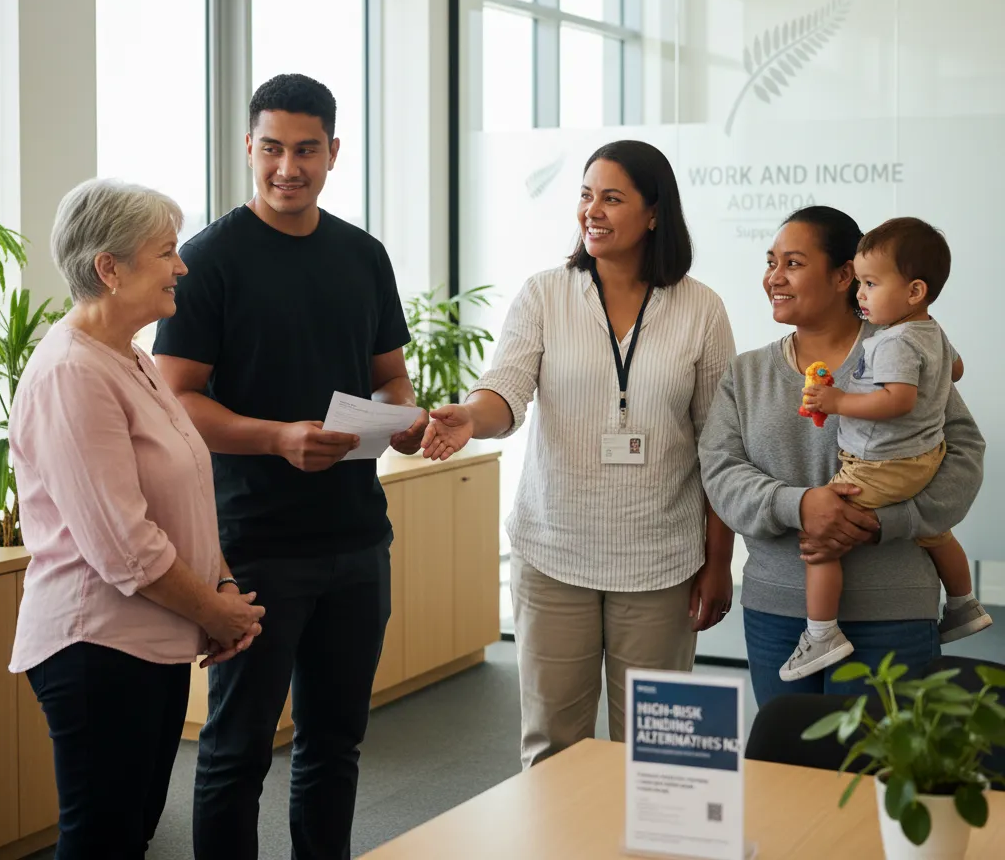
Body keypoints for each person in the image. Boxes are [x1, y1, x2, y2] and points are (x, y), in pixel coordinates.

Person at [153, 73, 426, 860]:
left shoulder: (362, 254)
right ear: (248, 148)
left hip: (355, 540)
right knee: (236, 752)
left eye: (306, 149)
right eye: (271, 148)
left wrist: (403, 420)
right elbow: (178, 400)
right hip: (251, 546)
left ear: (334, 152)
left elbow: (389, 375)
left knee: (334, 746)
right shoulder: (206, 260)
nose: (287, 167)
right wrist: (277, 438)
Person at [422, 140, 736, 769]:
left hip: (660, 559)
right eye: (586, 195)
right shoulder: (545, 294)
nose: (592, 210)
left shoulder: (700, 308)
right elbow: (504, 391)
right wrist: (469, 416)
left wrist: (719, 561)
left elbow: (720, 446)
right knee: (553, 747)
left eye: (612, 197)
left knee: (660, 754)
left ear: (654, 213)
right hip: (555, 551)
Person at [8, 180, 265, 860]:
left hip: (151, 638)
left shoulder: (131, 358)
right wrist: (214, 612)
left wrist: (222, 587)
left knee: (130, 836)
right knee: (101, 843)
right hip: (95, 647)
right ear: (109, 269)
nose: (182, 267)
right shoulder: (71, 373)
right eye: (166, 252)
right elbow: (122, 543)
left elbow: (181, 497)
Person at [698, 205, 985, 708]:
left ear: (842, 276)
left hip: (892, 610)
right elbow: (720, 471)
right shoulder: (745, 374)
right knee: (787, 775)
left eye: (792, 263)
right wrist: (800, 505)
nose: (774, 277)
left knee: (875, 782)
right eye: (771, 262)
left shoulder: (903, 353)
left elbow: (963, 453)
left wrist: (889, 521)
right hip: (777, 612)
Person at [786, 217, 991, 680]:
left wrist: (838, 400)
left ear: (915, 291)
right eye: (859, 282)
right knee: (936, 534)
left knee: (822, 540)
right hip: (924, 458)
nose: (860, 294)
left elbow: (898, 400)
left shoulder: (892, 341)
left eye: (871, 284)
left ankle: (821, 634)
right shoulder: (931, 331)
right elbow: (955, 369)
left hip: (881, 464)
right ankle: (962, 604)